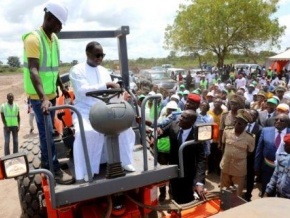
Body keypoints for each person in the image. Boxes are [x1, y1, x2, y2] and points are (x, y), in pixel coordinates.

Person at [22, 1, 74, 184]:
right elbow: (34, 70)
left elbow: (53, 68)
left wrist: (62, 86)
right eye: (59, 23)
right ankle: (54, 171)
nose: (60, 28)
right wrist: (44, 98)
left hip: (51, 94)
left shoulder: (54, 39)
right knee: (46, 134)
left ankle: (46, 162)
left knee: (50, 131)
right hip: (39, 98)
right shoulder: (33, 39)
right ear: (49, 18)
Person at [69, 41, 135, 181]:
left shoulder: (104, 71)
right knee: (87, 132)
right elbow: (81, 91)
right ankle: (88, 169)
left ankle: (125, 162)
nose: (100, 58)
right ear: (88, 54)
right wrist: (106, 84)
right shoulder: (77, 70)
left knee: (124, 129)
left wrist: (117, 90)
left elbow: (110, 91)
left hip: (105, 109)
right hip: (85, 111)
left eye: (102, 55)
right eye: (97, 55)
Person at [157, 110, 206, 204]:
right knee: (174, 193)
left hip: (188, 173)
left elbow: (201, 160)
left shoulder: (197, 135)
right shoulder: (173, 125)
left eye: (184, 118)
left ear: (191, 122)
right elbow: (161, 132)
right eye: (181, 116)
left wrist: (199, 182)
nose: (180, 119)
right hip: (173, 169)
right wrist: (156, 132)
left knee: (187, 198)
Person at [220, 109, 255, 197]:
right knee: (224, 189)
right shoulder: (227, 131)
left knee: (237, 193)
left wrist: (238, 156)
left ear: (246, 125)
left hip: (239, 168)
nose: (237, 125)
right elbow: (224, 145)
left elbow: (250, 152)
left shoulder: (250, 138)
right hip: (226, 165)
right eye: (236, 122)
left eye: (240, 123)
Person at [254, 114, 290, 196]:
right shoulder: (265, 131)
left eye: (281, 120)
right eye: (276, 119)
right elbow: (259, 150)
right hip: (267, 167)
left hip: (284, 171)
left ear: (287, 123)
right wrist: (256, 167)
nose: (278, 121)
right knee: (266, 190)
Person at [243, 109, 262, 201]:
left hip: (252, 157)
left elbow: (259, 146)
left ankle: (248, 195)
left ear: (256, 117)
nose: (250, 116)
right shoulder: (242, 124)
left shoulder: (260, 129)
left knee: (250, 176)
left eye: (253, 115)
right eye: (249, 114)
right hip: (241, 155)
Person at [264, 133, 290, 199]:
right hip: (279, 195)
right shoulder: (282, 158)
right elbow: (275, 176)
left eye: (287, 145)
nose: (284, 146)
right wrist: (267, 192)